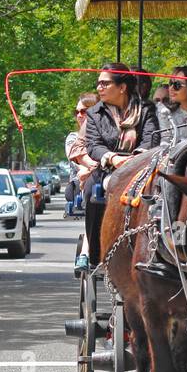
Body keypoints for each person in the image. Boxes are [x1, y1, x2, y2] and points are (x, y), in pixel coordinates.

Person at [78, 64, 159, 272]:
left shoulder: (146, 109)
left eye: (105, 83)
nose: (99, 88)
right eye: (98, 83)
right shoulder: (95, 113)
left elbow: (151, 138)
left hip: (141, 167)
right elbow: (93, 145)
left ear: (122, 87)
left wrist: (136, 160)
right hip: (107, 168)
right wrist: (113, 159)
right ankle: (95, 254)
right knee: (92, 192)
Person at [65, 94, 98, 222]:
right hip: (79, 185)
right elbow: (78, 164)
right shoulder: (73, 138)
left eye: (83, 111)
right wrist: (92, 169)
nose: (79, 115)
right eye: (76, 112)